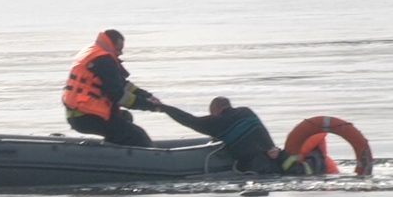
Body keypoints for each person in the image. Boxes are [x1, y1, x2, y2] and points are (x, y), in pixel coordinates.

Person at [161, 96, 316, 175]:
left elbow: (188, 120)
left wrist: (163, 107)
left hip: (259, 169)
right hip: (278, 159)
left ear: (215, 111)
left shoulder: (218, 122)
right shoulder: (247, 112)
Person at [62, 29, 161, 147]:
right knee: (138, 136)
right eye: (119, 49)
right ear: (111, 45)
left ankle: (111, 149)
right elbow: (119, 96)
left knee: (125, 118)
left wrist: (147, 96)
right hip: (86, 116)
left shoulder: (94, 53)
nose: (121, 53)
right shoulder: (104, 60)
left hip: (78, 114)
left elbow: (123, 85)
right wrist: (148, 105)